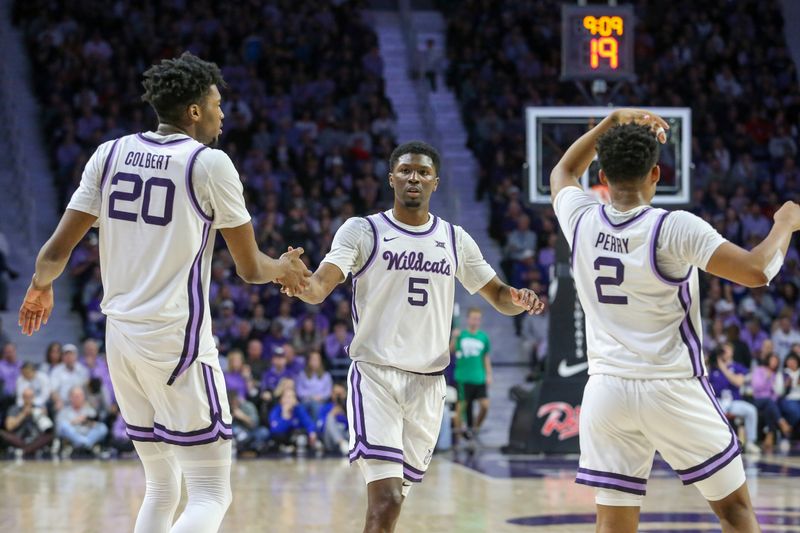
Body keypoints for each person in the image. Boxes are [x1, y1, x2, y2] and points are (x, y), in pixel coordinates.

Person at [18, 52, 310, 533]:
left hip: (121, 340)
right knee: (212, 492)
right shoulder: (209, 163)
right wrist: (286, 268)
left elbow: (54, 251)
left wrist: (39, 288)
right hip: (178, 340)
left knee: (161, 485)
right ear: (194, 110)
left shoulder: (108, 153)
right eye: (216, 103)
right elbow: (251, 268)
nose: (222, 113)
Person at [550, 108, 800, 533]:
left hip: (606, 391)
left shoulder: (580, 218)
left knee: (612, 523)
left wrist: (611, 121)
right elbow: (759, 271)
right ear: (656, 174)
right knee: (735, 509)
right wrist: (785, 224)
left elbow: (564, 170)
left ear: (604, 177)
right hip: (671, 387)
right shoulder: (674, 227)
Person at [287, 140, 543, 533]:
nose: (414, 177)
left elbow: (497, 296)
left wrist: (518, 299)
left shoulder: (455, 239)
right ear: (391, 178)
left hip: (428, 384)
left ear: (435, 182)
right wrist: (299, 282)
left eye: (423, 172)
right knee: (385, 499)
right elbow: (321, 286)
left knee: (395, 502)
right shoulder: (363, 230)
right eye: (405, 170)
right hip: (376, 376)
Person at [709, 344, 760, 455]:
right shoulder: (713, 368)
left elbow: (738, 382)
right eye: (722, 350)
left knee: (751, 410)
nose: (724, 352)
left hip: (734, 402)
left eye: (726, 350)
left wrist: (724, 367)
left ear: (731, 352)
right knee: (714, 411)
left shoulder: (737, 367)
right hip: (719, 401)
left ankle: (750, 442)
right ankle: (718, 443)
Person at [451, 307, 492, 439]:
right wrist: (453, 337)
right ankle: (457, 439)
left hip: (479, 378)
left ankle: (475, 428)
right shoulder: (461, 335)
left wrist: (489, 375)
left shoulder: (483, 337)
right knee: (459, 412)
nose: (476, 321)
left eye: (478, 319)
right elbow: (451, 351)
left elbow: (485, 357)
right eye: (473, 318)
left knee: (485, 405)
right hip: (463, 378)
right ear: (468, 319)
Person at [56, 386, 108, 457]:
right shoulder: (64, 411)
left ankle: (83, 444)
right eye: (76, 396)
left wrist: (87, 422)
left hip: (88, 434)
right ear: (70, 397)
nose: (78, 398)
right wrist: (74, 421)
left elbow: (96, 424)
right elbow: (59, 429)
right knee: (64, 425)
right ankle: (85, 444)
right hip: (73, 435)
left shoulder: (90, 410)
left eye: (80, 395)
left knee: (103, 427)